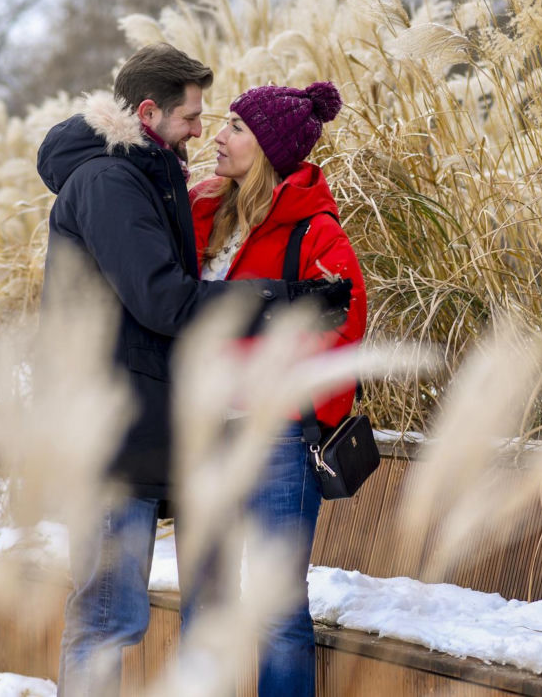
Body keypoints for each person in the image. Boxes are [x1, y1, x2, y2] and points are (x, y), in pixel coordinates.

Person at [36, 44, 352, 696]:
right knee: (120, 617)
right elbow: (166, 301)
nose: (205, 129)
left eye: (228, 122)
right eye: (196, 116)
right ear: (149, 113)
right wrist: (281, 301)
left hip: (214, 438)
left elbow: (343, 331)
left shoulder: (175, 188)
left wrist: (306, 413)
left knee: (250, 609)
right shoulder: (136, 189)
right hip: (126, 436)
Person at [187, 81, 367, 696]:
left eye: (235, 126)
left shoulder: (316, 233)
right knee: (203, 602)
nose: (218, 134)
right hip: (204, 434)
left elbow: (342, 333)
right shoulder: (205, 214)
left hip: (277, 441)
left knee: (277, 609)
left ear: (266, 148)